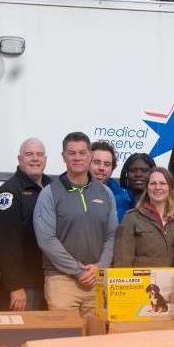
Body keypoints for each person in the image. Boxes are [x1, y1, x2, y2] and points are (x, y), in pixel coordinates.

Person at [34, 132, 118, 318]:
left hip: (97, 279)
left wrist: (101, 266)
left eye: (82, 153)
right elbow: (46, 240)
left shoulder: (105, 193)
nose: (77, 157)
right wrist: (78, 270)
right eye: (72, 153)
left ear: (89, 156)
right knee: (65, 341)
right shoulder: (49, 194)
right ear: (64, 157)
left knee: (95, 342)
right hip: (61, 281)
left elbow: (112, 235)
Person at [0, 138, 50, 311]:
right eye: (29, 154)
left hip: (47, 281)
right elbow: (4, 244)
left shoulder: (52, 189)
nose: (35, 159)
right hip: (22, 287)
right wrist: (15, 286)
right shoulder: (8, 194)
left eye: (39, 154)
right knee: (20, 336)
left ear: (45, 159)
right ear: (19, 159)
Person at [113, 167, 174, 267]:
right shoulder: (132, 218)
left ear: (170, 188)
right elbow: (122, 260)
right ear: (147, 188)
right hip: (142, 281)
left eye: (162, 183)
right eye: (153, 183)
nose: (157, 187)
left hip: (172, 281)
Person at [89, 140, 133, 222]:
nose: (101, 168)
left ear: (112, 169)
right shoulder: (71, 193)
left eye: (107, 164)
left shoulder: (125, 199)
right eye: (96, 162)